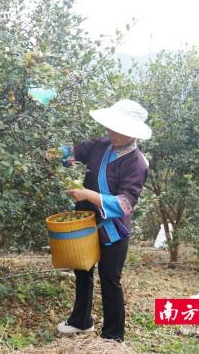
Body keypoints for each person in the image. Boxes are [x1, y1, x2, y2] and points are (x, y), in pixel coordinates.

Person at [48, 99, 151, 342]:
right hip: (86, 223)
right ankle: (80, 321)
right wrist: (57, 152)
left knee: (109, 279)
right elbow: (74, 152)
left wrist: (87, 195)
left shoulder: (136, 162)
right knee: (83, 270)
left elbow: (125, 203)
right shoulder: (102, 145)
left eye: (118, 129)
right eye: (110, 127)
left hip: (113, 229)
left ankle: (113, 336)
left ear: (132, 133)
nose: (111, 133)